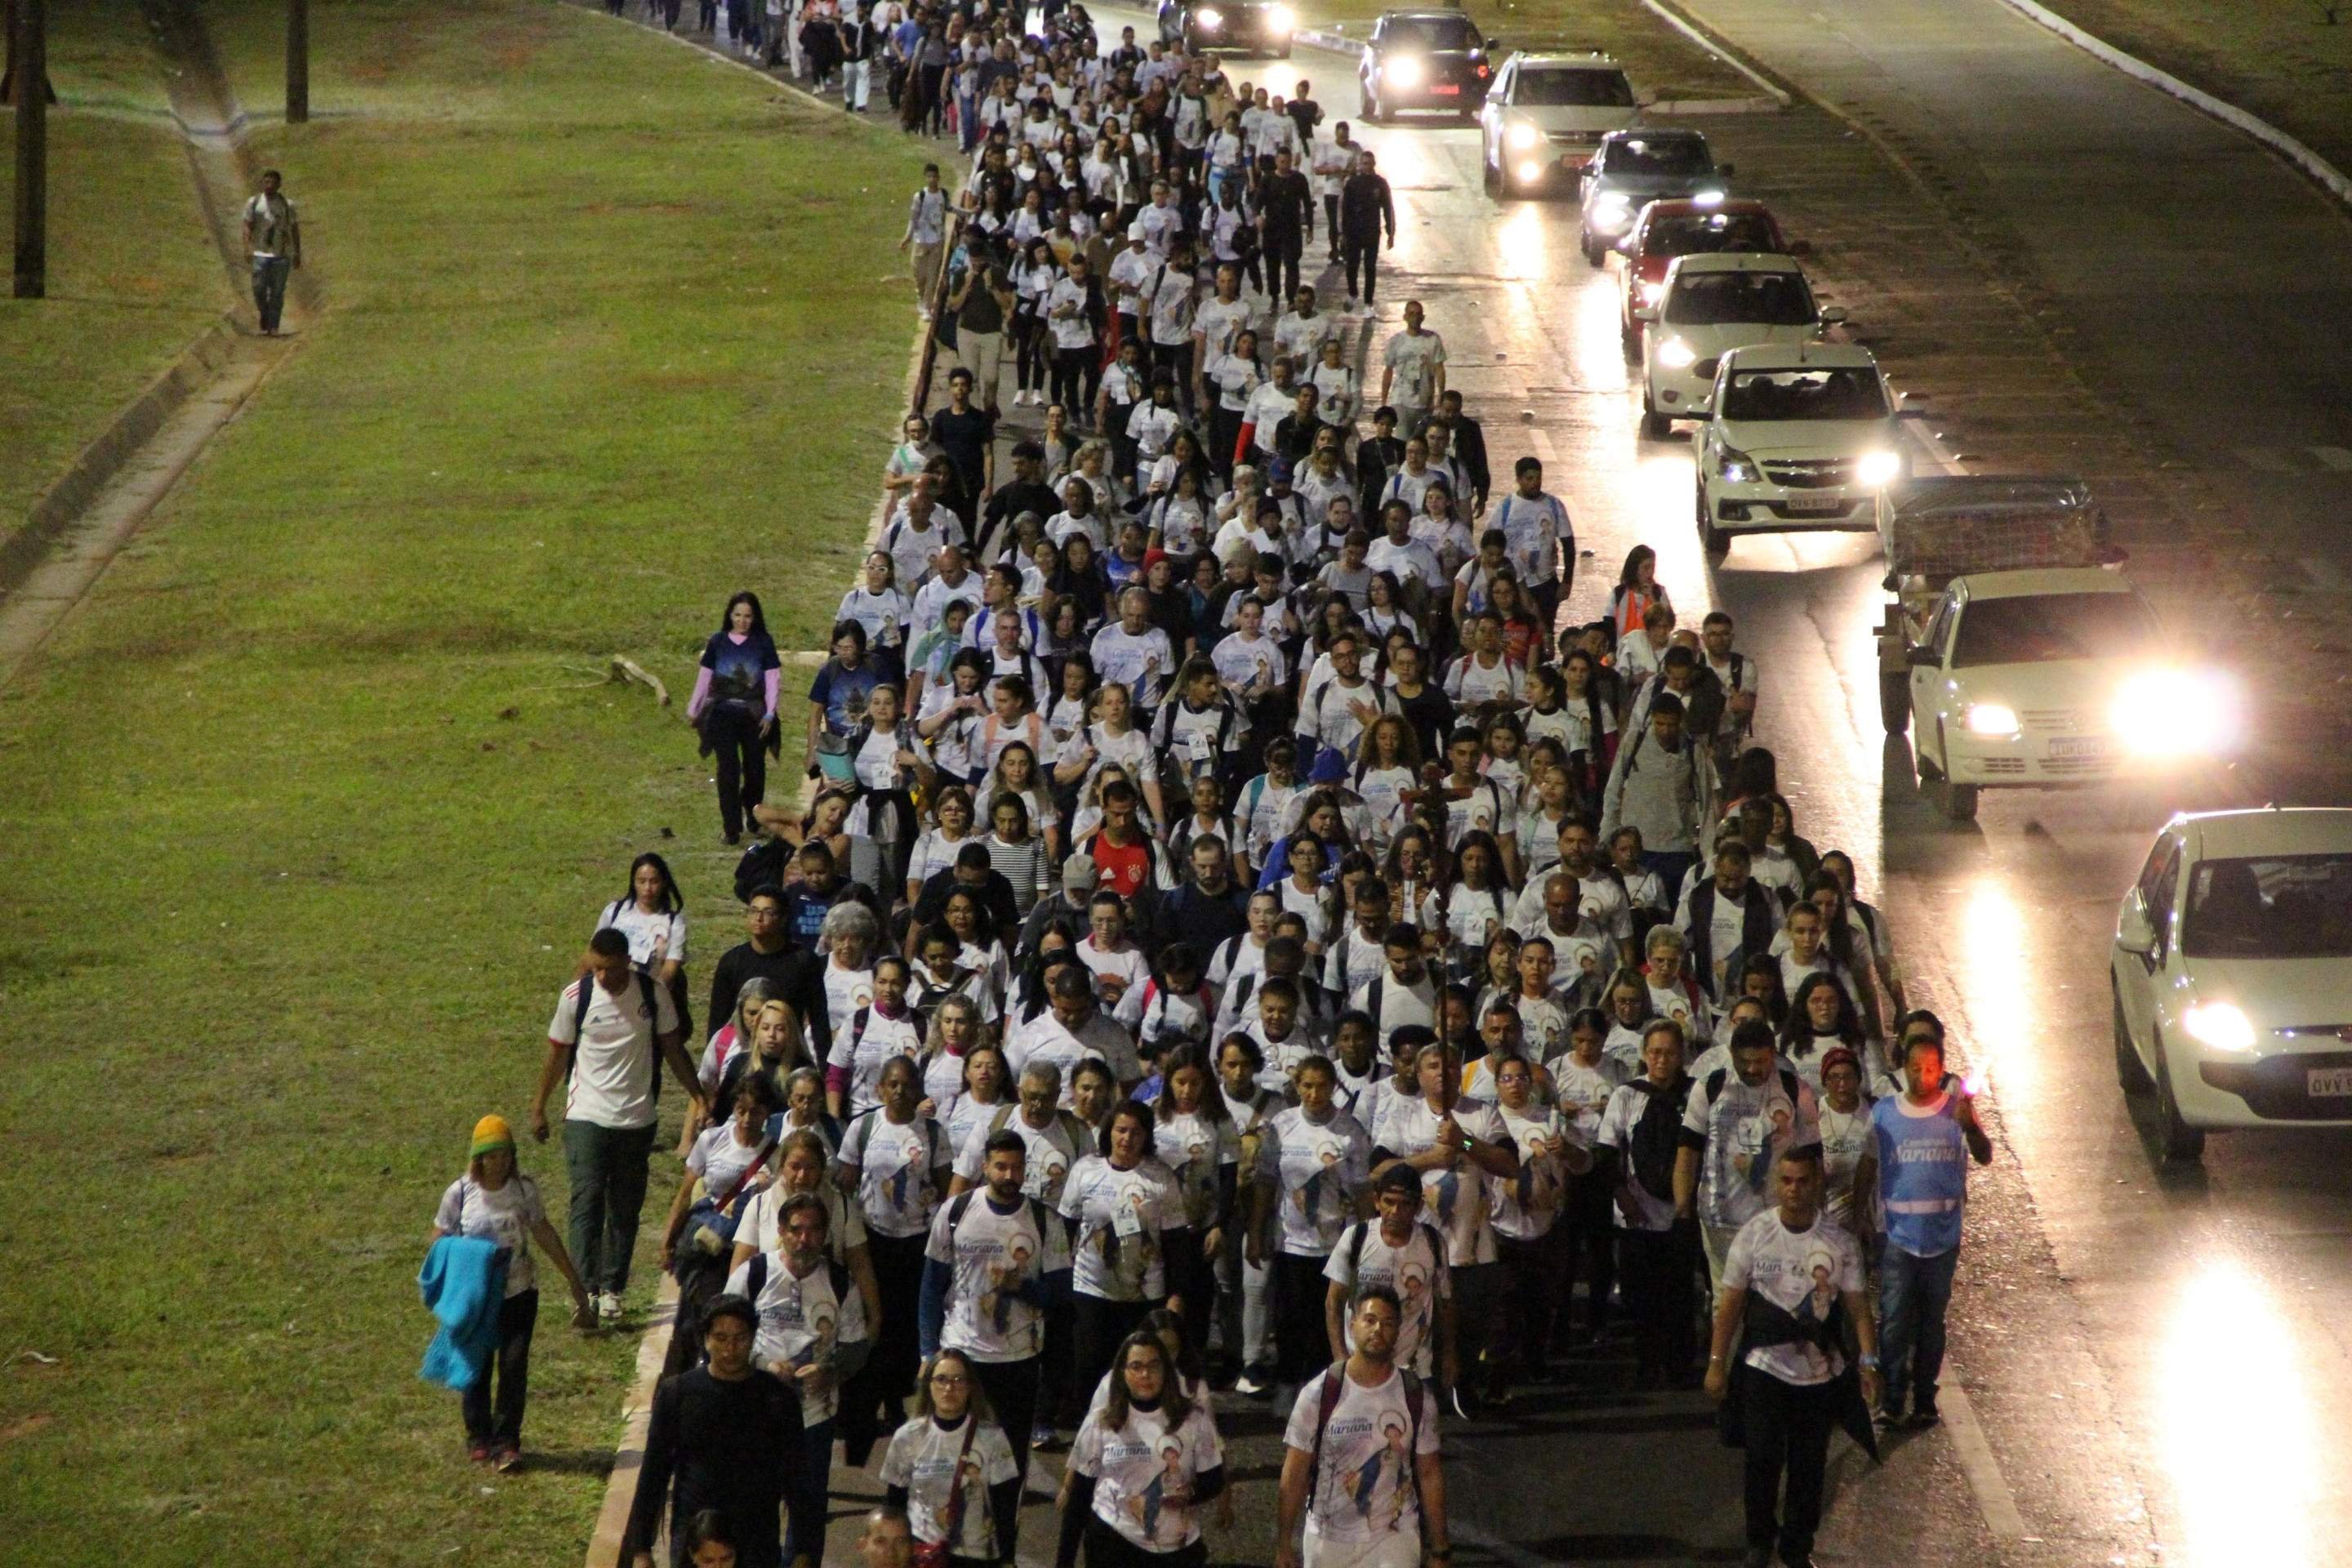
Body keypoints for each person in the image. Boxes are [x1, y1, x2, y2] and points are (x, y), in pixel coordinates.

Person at [1705, 1147, 1880, 1568]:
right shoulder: (1754, 1234)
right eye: (1786, 1181)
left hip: (1817, 1375)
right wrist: (1716, 1362)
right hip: (1765, 1367)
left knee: (1808, 1467)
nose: (1794, 1190)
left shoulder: (1838, 1243)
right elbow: (1730, 1304)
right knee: (1762, 1457)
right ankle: (1759, 1542)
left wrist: (1869, 1363)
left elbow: (1858, 1307)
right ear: (1776, 1184)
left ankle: (1797, 1547)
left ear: (1816, 1183)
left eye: (1803, 1181)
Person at [533, 929, 705, 1322]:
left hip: (636, 1117)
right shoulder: (577, 997)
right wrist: (539, 1105)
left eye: (609, 969)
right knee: (587, 1199)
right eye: (596, 968)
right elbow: (557, 1055)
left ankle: (613, 1287)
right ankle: (585, 1289)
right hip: (586, 1115)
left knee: (625, 1206)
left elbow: (672, 1049)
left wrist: (697, 1094)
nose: (602, 977)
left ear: (627, 961)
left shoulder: (652, 995)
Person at [1851, 1012, 1991, 1428]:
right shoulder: (1884, 1114)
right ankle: (1893, 1397)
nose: (1923, 1076)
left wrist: (1971, 1128)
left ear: (1941, 1069)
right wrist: (1858, 1214)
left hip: (1942, 1237)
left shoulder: (1956, 1111)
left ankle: (1925, 1397)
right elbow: (1868, 1165)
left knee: (1932, 1322)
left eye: (1931, 1069)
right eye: (1915, 1068)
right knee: (1894, 1320)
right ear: (1904, 1068)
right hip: (1897, 1236)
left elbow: (1984, 1155)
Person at [430, 1115, 593, 1470]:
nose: (499, 1163)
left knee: (514, 1365)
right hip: (478, 1297)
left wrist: (573, 1279)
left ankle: (507, 1441)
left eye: (505, 1155)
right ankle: (478, 1434)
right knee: (478, 1364)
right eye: (491, 1156)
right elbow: (440, 1240)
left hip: (520, 1291)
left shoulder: (523, 1191)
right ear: (478, 1159)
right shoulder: (459, 1194)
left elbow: (543, 1232)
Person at [726, 1192, 872, 1566]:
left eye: (812, 1231)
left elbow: (857, 1345)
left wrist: (831, 1371)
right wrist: (762, 1365)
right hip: (757, 1414)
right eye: (796, 1230)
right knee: (753, 1506)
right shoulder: (755, 1273)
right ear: (781, 1231)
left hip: (815, 1420)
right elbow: (720, 1335)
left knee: (807, 1513)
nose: (803, 1239)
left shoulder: (841, 1283)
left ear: (824, 1235)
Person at [922, 1128, 1072, 1485]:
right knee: (953, 1458)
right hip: (962, 1355)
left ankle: (1004, 1532)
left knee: (1009, 1466)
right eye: (1001, 1166)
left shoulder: (1044, 1221)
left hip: (1018, 1360)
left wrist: (1018, 1285)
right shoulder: (955, 1212)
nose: (1009, 1176)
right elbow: (931, 1286)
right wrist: (928, 1352)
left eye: (1017, 1168)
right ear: (985, 1167)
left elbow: (1061, 1297)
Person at [623, 1295, 805, 1568]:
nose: (730, 1349)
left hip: (756, 1540)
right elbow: (654, 1472)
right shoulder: (678, 1394)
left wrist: (803, 1551)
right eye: (720, 1338)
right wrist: (641, 1549)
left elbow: (798, 1480)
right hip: (695, 1539)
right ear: (705, 1339)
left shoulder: (778, 1399)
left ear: (753, 1338)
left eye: (740, 1338)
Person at [1275, 1288, 1447, 1568]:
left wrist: (1441, 1549)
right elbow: (1295, 1472)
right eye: (1369, 1320)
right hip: (1328, 1538)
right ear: (1352, 1324)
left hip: (1394, 1536)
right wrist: (1283, 1544)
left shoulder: (1415, 1395)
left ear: (1398, 1331)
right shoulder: (1319, 1393)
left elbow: (1429, 1473)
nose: (1377, 1329)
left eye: (1388, 1322)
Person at [1251, 1054, 1374, 1399]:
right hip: (1292, 1241)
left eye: (1322, 1086)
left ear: (1334, 1087)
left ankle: (1325, 1390)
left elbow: (1363, 1189)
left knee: (1329, 1319)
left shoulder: (1350, 1130)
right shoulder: (1282, 1125)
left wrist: (1369, 1238)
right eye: (1307, 1085)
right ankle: (1289, 1384)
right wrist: (1257, 1230)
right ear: (1296, 1086)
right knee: (1290, 1318)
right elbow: (1265, 1181)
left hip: (1337, 1241)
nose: (1315, 1093)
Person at [1055, 1330, 1228, 1568]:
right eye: (1136, 1366)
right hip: (1114, 1541)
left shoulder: (1193, 1420)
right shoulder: (1101, 1422)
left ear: (1166, 1371)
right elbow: (1080, 1495)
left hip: (1176, 1546)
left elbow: (1214, 1479)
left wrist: (1185, 1495)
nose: (1145, 1374)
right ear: (1122, 1373)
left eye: (1153, 1366)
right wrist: (1064, 1562)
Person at [1061, 1100, 1194, 1400]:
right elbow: (1065, 1232)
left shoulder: (1161, 1178)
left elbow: (1175, 1243)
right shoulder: (1085, 1170)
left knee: (1140, 1369)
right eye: (1121, 1130)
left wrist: (1175, 1296)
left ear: (1146, 1137)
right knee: (1090, 1366)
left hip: (1144, 1293)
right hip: (1091, 1288)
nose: (1127, 1139)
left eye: (1136, 1132)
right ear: (1109, 1132)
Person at [659, 1073, 784, 1380]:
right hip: (705, 1248)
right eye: (740, 1110)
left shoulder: (775, 1155)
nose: (746, 1119)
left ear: (766, 1112)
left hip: (744, 1250)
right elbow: (686, 1193)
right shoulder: (712, 1140)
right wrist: (668, 1240)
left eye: (755, 1111)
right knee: (699, 1312)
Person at [1596, 1018, 1698, 1387]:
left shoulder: (1695, 1095)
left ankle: (1679, 1365)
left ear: (1681, 1056)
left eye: (1669, 1053)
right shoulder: (1627, 1096)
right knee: (1641, 1296)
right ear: (1643, 1055)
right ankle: (1646, 1362)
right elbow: (1606, 1153)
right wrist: (1623, 1198)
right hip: (1636, 1214)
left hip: (1681, 1214)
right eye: (1655, 1052)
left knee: (1679, 1294)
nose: (1661, 1060)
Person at [881, 1348, 1025, 1566]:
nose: (949, 1388)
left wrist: (1007, 1558)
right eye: (941, 1379)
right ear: (929, 1385)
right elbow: (895, 1501)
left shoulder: (991, 1437)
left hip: (975, 1555)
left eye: (959, 1380)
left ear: (970, 1387)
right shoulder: (908, 1437)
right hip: (924, 1553)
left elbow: (1004, 1502)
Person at [1321, 1165, 1452, 1388]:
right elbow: (1334, 1302)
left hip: (1414, 1369)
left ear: (1418, 1206)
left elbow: (1445, 1304)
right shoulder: (1356, 1238)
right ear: (1376, 1201)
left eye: (1404, 1204)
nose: (1394, 1211)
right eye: (1389, 1202)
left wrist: (1450, 1356)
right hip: (1359, 1366)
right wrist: (1340, 1357)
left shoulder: (1433, 1243)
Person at [691, 592, 783, 845]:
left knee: (755, 770)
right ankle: (731, 827)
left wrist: (770, 712)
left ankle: (754, 817)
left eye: (748, 616)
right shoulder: (718, 642)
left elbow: (773, 678)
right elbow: (705, 677)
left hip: (754, 715)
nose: (743, 621)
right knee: (727, 771)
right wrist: (695, 709)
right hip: (723, 715)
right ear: (730, 616)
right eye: (738, 616)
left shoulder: (763, 643)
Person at [241, 169, 301, 336]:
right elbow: (247, 224)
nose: (269, 185)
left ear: (279, 185)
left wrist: (297, 252)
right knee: (258, 288)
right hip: (260, 253)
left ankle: (273, 325)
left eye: (273, 182)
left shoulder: (287, 205)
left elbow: (294, 228)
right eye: (266, 182)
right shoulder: (254, 203)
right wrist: (247, 246)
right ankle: (264, 314)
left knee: (277, 291)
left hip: (281, 254)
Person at [1377, 301, 1446, 442]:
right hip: (1401, 400)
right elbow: (1388, 370)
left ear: (1423, 317)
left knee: (1423, 443)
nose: (1415, 317)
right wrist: (1383, 400)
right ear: (1405, 317)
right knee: (1403, 443)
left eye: (1418, 314)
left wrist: (1440, 396)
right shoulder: (1396, 341)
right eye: (1411, 314)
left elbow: (1439, 368)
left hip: (1424, 401)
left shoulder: (1432, 339)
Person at [1336, 149, 1395, 310]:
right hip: (1354, 232)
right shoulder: (1352, 184)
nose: (1366, 167)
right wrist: (1342, 232)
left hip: (1372, 232)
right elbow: (1344, 209)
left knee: (1370, 267)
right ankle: (1353, 293)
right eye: (1364, 164)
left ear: (1374, 165)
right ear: (1359, 165)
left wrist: (1391, 233)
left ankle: (1368, 303)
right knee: (1352, 265)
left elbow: (1388, 209)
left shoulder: (1380, 184)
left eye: (1369, 164)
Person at [905, 163, 951, 313]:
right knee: (919, 274)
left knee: (932, 276)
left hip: (937, 240)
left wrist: (969, 212)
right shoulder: (920, 196)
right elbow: (913, 218)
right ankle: (921, 295)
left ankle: (927, 307)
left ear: (938, 178)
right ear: (926, 178)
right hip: (921, 240)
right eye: (929, 177)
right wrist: (907, 237)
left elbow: (949, 208)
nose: (932, 180)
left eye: (934, 177)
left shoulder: (943, 194)